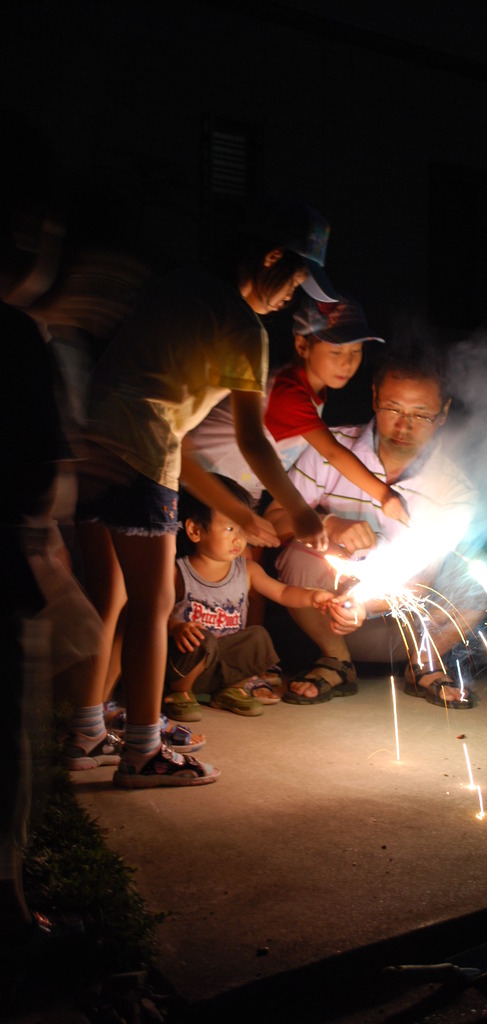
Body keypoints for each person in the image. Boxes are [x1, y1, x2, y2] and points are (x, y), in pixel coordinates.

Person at [62, 198, 337, 788]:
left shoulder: (180, 285)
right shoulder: (243, 329)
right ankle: (143, 750)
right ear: (270, 258)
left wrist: (240, 512)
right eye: (295, 278)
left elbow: (178, 444)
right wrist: (296, 510)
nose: (294, 295)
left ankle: (85, 731)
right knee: (155, 605)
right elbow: (252, 442)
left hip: (91, 444)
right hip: (141, 457)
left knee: (109, 597)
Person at [265, 342, 487, 708]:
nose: (405, 426)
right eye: (393, 409)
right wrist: (330, 524)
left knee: (472, 578)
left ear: (443, 413)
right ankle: (335, 662)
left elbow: (425, 573)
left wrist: (362, 604)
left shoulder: (455, 489)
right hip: (326, 617)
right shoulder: (331, 448)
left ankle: (425, 665)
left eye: (421, 414)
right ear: (374, 399)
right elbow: (272, 521)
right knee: (300, 550)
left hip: (406, 631)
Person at [186, 293, 409, 524]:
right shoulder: (287, 393)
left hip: (226, 493)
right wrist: (385, 495)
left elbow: (260, 471)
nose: (347, 362)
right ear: (302, 345)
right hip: (195, 485)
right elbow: (332, 453)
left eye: (356, 351)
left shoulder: (314, 396)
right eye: (336, 351)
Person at [165, 476, 341, 719]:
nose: (239, 538)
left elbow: (283, 592)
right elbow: (153, 615)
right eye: (229, 528)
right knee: (201, 640)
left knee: (257, 636)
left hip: (223, 665)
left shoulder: (247, 570)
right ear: (195, 530)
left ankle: (231, 689)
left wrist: (313, 596)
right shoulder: (178, 573)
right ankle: (180, 693)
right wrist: (176, 628)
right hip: (186, 666)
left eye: (242, 528)